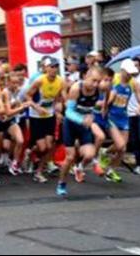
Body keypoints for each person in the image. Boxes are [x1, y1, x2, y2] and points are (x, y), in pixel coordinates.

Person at [56, 68, 104, 196]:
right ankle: (62, 183)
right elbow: (69, 112)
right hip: (71, 124)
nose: (95, 84)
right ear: (85, 77)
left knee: (89, 154)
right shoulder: (76, 88)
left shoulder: (99, 90)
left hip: (84, 124)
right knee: (70, 157)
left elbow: (95, 108)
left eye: (98, 82)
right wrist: (82, 119)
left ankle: (79, 168)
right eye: (93, 81)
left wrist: (94, 115)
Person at [103, 59, 140, 183]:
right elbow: (103, 93)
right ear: (122, 71)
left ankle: (110, 169)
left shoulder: (134, 83)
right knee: (120, 144)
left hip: (123, 117)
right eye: (128, 73)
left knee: (122, 149)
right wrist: (106, 105)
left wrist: (139, 108)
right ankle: (105, 155)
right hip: (111, 116)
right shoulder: (114, 79)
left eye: (132, 73)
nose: (131, 76)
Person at [25, 57, 65, 184]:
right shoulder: (39, 81)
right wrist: (37, 107)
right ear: (46, 68)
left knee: (48, 146)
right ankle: (29, 152)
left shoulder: (60, 81)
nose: (54, 69)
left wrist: (58, 108)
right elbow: (27, 96)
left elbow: (59, 98)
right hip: (36, 116)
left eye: (56, 66)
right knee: (42, 147)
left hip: (49, 116)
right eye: (51, 67)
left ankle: (39, 172)